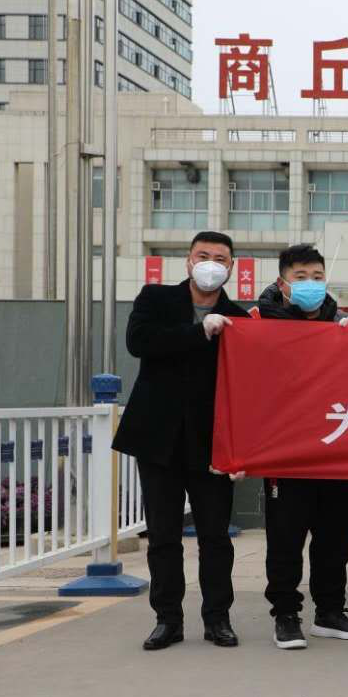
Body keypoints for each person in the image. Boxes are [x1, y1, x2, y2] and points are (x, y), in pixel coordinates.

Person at [113, 231, 251, 651]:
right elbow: (140, 343)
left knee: (215, 537)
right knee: (163, 535)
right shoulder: (156, 298)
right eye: (203, 255)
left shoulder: (239, 319)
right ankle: (167, 619)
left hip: (212, 445)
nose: (211, 264)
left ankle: (217, 618)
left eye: (220, 258)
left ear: (232, 268)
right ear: (189, 261)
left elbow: (251, 384)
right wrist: (198, 332)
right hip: (158, 438)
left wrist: (244, 448)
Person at [254, 243, 348, 650]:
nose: (310, 284)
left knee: (335, 536)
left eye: (317, 277)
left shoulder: (340, 323)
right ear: (283, 283)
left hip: (334, 446)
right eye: (300, 278)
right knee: (285, 538)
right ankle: (286, 615)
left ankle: (329, 610)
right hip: (285, 450)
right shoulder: (258, 324)